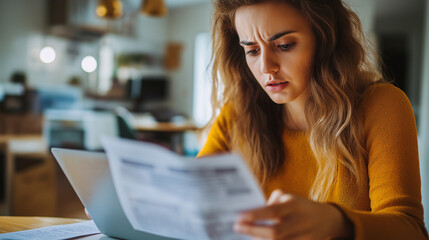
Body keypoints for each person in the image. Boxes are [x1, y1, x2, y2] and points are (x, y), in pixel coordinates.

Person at [197, 0, 429, 239]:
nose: (266, 67)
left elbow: (410, 230)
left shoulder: (381, 105)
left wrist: (337, 222)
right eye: (252, 51)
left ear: (325, 40)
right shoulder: (238, 113)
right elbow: (191, 195)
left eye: (285, 45)